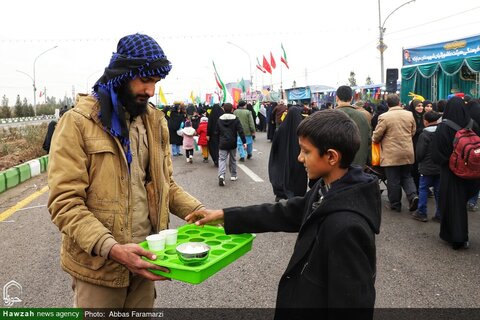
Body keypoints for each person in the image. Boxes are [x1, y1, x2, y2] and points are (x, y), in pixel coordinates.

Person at [47, 33, 205, 308]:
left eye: (155, 82)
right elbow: (65, 203)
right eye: (145, 80)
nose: (150, 91)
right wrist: (114, 250)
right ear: (122, 75)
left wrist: (202, 212)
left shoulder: (154, 122)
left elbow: (166, 185)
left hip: (146, 261)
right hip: (100, 269)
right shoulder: (77, 124)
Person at [186, 110, 380, 319]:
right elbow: (283, 212)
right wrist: (225, 215)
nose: (299, 158)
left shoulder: (346, 227)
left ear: (331, 156)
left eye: (306, 151)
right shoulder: (327, 189)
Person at [432, 96, 480, 250]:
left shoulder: (444, 127)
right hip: (471, 172)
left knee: (453, 204)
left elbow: (436, 153)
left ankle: (455, 237)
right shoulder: (473, 125)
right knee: (462, 203)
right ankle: (462, 236)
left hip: (450, 172)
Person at [372, 94, 418, 212]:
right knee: (407, 176)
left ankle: (395, 204)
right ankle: (413, 196)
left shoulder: (384, 117)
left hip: (391, 154)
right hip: (407, 151)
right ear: (399, 102)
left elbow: (376, 136)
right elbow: (413, 131)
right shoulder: (409, 114)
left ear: (388, 104)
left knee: (393, 179)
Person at [268, 106, 307, 201]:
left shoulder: (280, 129)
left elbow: (275, 147)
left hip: (282, 158)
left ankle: (281, 193)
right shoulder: (303, 132)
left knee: (282, 173)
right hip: (298, 159)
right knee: (297, 177)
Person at [412, 111, 442, 222]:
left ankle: (422, 212)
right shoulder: (441, 132)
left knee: (423, 189)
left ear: (425, 121)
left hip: (426, 167)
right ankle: (439, 214)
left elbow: (420, 153)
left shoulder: (424, 134)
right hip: (439, 167)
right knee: (438, 191)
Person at [334, 86, 371, 167]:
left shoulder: (330, 116)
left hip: (336, 167)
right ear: (351, 98)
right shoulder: (362, 116)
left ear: (336, 98)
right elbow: (369, 140)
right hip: (359, 166)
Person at [215, 103, 246, 186]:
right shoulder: (235, 119)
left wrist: (218, 141)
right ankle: (233, 175)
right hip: (232, 142)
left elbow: (216, 132)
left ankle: (221, 175)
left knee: (222, 159)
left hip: (222, 142)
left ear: (224, 109)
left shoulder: (219, 119)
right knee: (232, 159)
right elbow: (240, 131)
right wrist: (244, 142)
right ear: (232, 109)